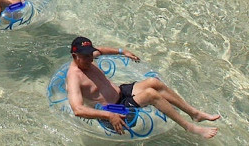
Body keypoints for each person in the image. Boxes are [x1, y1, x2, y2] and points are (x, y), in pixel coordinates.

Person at [65, 37, 219, 139]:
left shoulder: (89, 57)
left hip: (121, 92)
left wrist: (122, 51)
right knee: (151, 94)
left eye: (90, 55)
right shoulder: (74, 77)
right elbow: (78, 109)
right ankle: (189, 127)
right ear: (74, 56)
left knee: (154, 82)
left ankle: (194, 113)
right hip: (115, 108)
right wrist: (109, 116)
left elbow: (100, 50)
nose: (90, 58)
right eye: (85, 56)